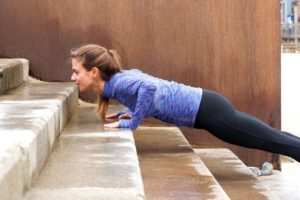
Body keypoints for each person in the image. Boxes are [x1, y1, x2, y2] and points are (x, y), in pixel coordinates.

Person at [70, 44, 300, 162]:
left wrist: (133, 123)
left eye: (75, 72)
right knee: (273, 137)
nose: (72, 78)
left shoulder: (118, 84)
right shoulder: (118, 81)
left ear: (94, 72)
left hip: (207, 111)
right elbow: (146, 82)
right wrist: (132, 111)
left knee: (271, 141)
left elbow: (149, 88)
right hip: (207, 106)